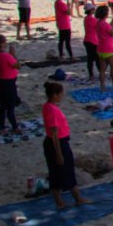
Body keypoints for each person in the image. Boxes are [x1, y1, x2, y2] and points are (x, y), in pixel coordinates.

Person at [42, 81, 89, 209]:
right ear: (55, 95)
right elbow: (54, 134)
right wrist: (58, 153)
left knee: (58, 171)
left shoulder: (48, 106)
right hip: (58, 143)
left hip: (56, 142)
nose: (62, 95)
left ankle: (65, 200)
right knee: (64, 171)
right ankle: (73, 199)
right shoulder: (52, 110)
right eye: (61, 93)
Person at [0, 34, 20, 130]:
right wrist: (13, 55)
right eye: (5, 42)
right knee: (10, 106)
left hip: (1, 81)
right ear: (1, 44)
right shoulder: (6, 56)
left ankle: (2, 127)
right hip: (8, 83)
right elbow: (17, 65)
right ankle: (15, 127)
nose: (6, 43)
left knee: (2, 106)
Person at [95, 5, 113, 94]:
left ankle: (102, 86)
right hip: (108, 48)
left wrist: (111, 24)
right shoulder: (105, 24)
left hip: (100, 48)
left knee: (102, 70)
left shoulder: (98, 23)